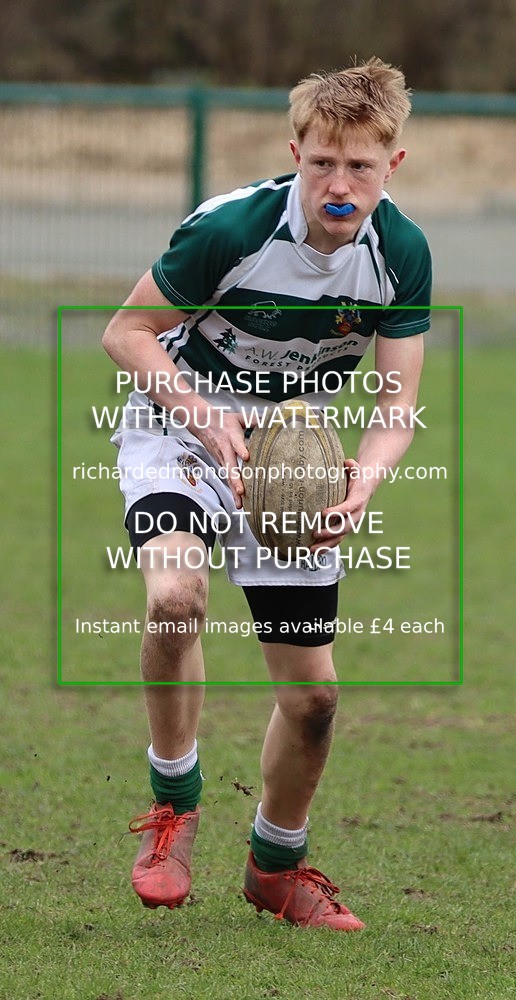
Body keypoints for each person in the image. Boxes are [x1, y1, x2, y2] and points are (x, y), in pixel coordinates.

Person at [102, 57, 431, 930]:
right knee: (176, 598)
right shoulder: (232, 229)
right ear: (296, 153)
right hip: (180, 430)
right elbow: (125, 333)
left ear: (390, 165)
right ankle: (174, 807)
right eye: (322, 161)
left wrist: (362, 480)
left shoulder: (401, 253)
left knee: (314, 698)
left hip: (292, 459)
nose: (338, 181)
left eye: (359, 165)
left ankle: (276, 867)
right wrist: (201, 411)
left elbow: (398, 410)